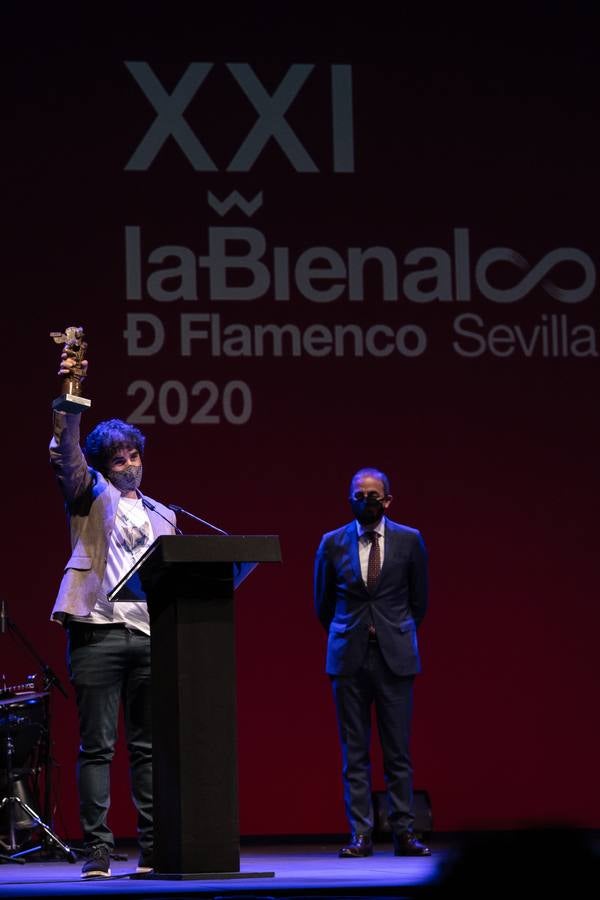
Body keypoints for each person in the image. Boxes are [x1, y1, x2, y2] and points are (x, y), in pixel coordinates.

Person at [49, 350, 177, 878]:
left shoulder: (163, 514)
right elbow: (66, 453)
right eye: (119, 458)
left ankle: (152, 847)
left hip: (150, 636)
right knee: (98, 746)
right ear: (105, 464)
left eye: (134, 455)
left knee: (147, 748)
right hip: (98, 631)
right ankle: (98, 849)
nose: (129, 464)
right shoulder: (89, 493)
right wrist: (70, 399)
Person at [314, 467, 430, 858]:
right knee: (355, 752)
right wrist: (351, 631)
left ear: (388, 499)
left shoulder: (410, 540)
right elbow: (323, 605)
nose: (367, 500)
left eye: (374, 494)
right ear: (349, 499)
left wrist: (393, 630)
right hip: (348, 658)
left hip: (395, 657)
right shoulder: (331, 543)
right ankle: (360, 834)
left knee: (398, 751)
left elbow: (420, 601)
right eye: (359, 494)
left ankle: (404, 832)